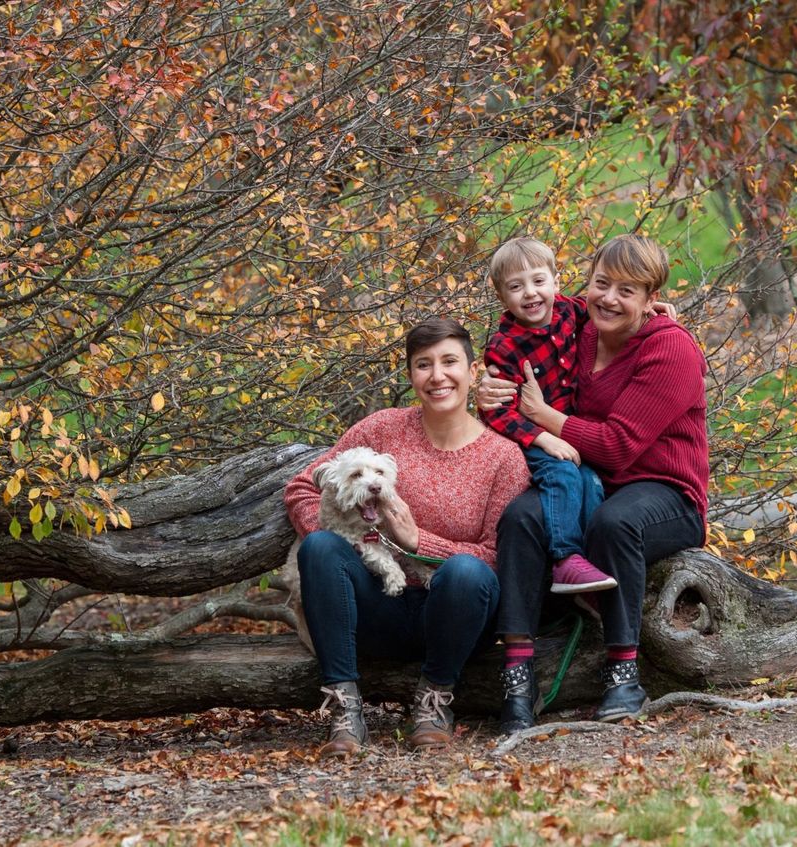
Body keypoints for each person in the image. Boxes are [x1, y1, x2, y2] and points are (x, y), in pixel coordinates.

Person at [479, 234, 709, 733]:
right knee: (521, 517)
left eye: (628, 291)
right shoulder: (578, 326)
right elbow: (522, 327)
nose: (609, 298)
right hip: (587, 480)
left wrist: (542, 416)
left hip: (664, 491)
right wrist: (488, 385)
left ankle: (623, 674)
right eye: (602, 283)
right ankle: (518, 676)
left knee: (614, 523)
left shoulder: (671, 348)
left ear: (651, 301)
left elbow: (620, 445)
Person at [284, 317, 531, 756]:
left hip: (456, 616)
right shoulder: (381, 429)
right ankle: (344, 706)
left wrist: (417, 541)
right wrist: (346, 530)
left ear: (473, 373)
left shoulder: (503, 457)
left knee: (467, 572)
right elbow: (302, 487)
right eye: (423, 365)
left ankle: (434, 699)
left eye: (450, 362)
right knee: (321, 546)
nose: (437, 376)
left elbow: (496, 557)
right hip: (374, 605)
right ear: (411, 375)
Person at [481, 237, 616, 595]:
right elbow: (498, 413)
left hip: (568, 430)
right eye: (516, 286)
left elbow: (612, 310)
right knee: (562, 475)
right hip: (530, 437)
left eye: (538, 281)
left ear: (556, 282)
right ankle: (565, 559)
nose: (530, 293)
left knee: (591, 481)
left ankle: (590, 561)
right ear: (502, 296)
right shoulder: (504, 347)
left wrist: (651, 308)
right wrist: (544, 439)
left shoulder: (571, 312)